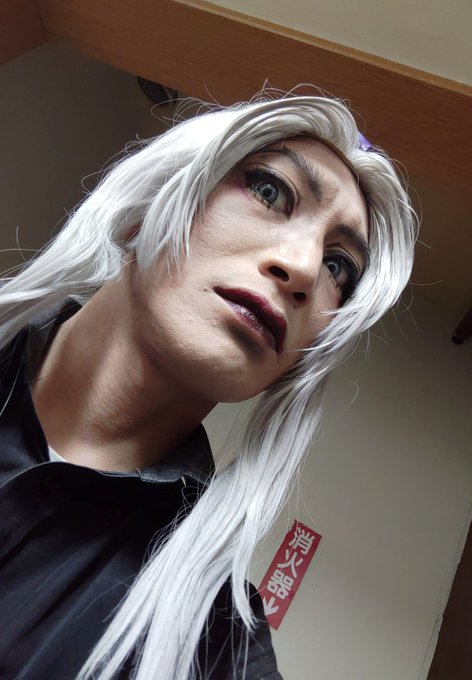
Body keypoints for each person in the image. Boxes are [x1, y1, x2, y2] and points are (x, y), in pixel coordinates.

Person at [0, 94, 416, 679]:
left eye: (338, 267)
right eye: (270, 190)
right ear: (151, 202)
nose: (303, 268)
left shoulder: (215, 644)